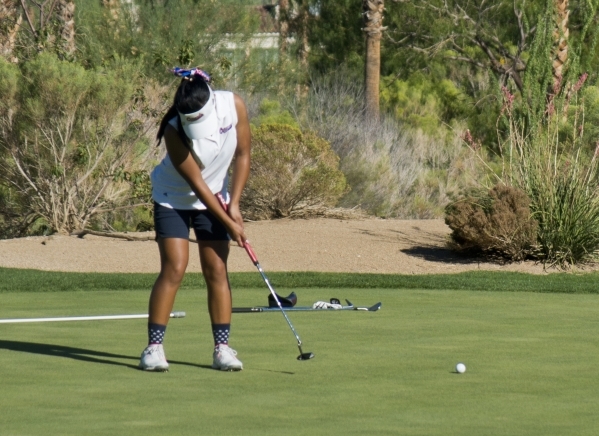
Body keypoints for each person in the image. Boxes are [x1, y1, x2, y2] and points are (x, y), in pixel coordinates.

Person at [139, 67, 250, 372]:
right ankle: (153, 349)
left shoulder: (232, 105)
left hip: (215, 196)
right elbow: (198, 186)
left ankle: (222, 349)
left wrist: (235, 204)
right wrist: (229, 224)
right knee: (175, 267)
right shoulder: (174, 130)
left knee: (216, 268)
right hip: (173, 198)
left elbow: (242, 154)